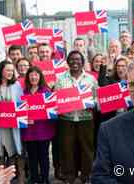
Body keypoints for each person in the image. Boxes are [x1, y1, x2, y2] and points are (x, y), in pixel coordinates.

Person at [55, 50, 98, 183]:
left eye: (78, 59)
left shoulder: (91, 79)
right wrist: (61, 106)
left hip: (86, 119)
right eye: (72, 59)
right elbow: (56, 99)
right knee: (67, 148)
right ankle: (69, 175)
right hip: (66, 119)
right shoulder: (61, 79)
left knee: (87, 148)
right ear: (68, 62)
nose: (75, 62)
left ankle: (86, 175)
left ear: (82, 62)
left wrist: (91, 104)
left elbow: (97, 98)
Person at [0, 61, 26, 184]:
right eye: (7, 70)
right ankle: (0, 179)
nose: (10, 73)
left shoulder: (16, 85)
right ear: (1, 70)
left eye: (12, 70)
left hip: (12, 125)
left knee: (16, 151)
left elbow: (21, 104)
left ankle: (18, 176)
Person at [22, 66, 56, 184]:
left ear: (40, 76)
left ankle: (45, 178)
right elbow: (20, 111)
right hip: (29, 131)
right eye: (31, 75)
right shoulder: (24, 92)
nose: (33, 77)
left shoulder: (46, 91)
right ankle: (34, 178)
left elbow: (52, 112)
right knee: (32, 156)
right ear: (28, 77)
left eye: (36, 74)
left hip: (44, 130)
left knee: (43, 156)